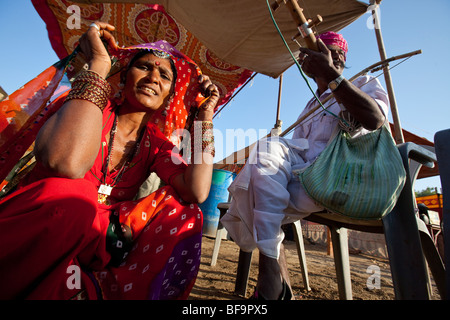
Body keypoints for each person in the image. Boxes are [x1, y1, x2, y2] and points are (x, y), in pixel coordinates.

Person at [0, 22, 220, 300]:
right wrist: (100, 62)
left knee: (185, 213)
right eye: (144, 67)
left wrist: (205, 117)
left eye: (164, 75)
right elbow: (63, 163)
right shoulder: (89, 107)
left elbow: (197, 191)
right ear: (124, 78)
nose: (153, 77)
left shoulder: (156, 144)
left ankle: (102, 290)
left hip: (100, 235)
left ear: (167, 98)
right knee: (76, 197)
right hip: (46, 219)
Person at [221, 31, 389, 300]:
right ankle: (274, 280)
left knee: (256, 194)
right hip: (304, 182)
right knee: (266, 155)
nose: (330, 58)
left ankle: (272, 280)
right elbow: (294, 153)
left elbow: (375, 119)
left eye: (336, 54)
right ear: (306, 62)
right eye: (320, 53)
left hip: (339, 180)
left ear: (343, 59)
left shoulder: (362, 82)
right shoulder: (311, 104)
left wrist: (334, 78)